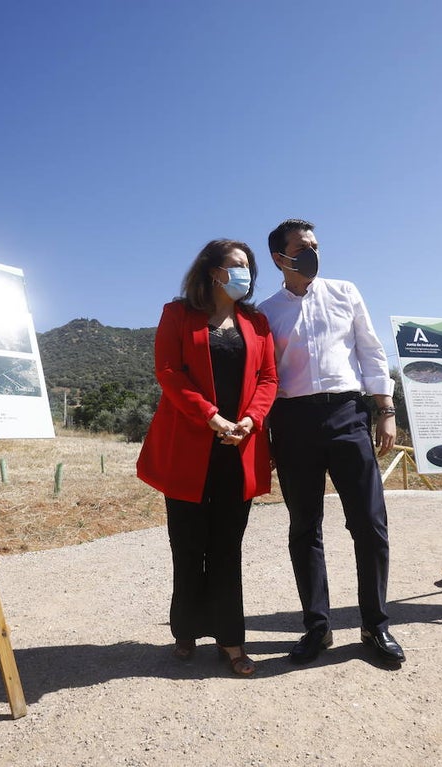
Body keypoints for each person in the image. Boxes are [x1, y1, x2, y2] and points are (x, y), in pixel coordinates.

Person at [257, 218, 405, 666]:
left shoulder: (346, 292)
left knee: (370, 524)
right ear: (280, 258)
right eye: (303, 247)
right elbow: (264, 377)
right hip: (293, 420)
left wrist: (386, 410)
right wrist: (265, 434)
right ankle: (317, 628)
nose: (313, 253)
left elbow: (371, 351)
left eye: (316, 245)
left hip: (347, 413)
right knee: (305, 528)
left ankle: (375, 625)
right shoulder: (266, 312)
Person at [137, 239, 278, 677]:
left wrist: (250, 422)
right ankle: (185, 631)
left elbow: (269, 378)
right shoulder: (177, 314)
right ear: (212, 271)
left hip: (240, 450)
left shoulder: (257, 322)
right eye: (236, 265)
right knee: (187, 545)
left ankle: (230, 639)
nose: (245, 274)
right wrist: (212, 418)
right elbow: (168, 372)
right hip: (190, 449)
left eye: (249, 267)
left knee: (227, 548)